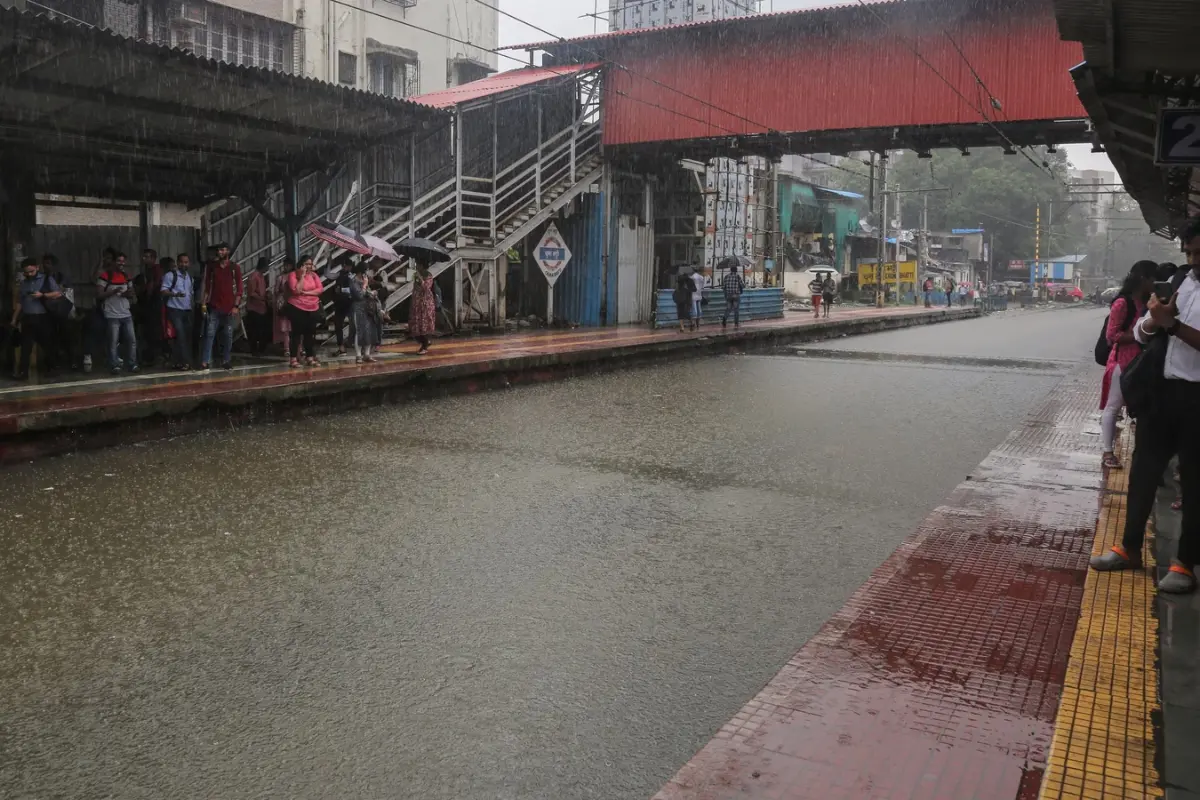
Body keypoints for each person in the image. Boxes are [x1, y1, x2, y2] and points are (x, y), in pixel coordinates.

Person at [1091, 217, 1200, 594]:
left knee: (1195, 481)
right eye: (1188, 252)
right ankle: (1130, 548)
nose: (1192, 259)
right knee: (1143, 474)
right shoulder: (1182, 283)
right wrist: (1154, 320)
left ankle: (1184, 564)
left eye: (1198, 253)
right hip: (1161, 393)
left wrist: (1170, 325)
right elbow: (1141, 332)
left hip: (1197, 398)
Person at [1099, 261, 1156, 469]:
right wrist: (1141, 335)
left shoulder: (1148, 303)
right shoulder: (1122, 303)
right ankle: (1107, 452)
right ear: (1143, 279)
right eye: (1153, 279)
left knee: (1140, 407)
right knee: (1113, 406)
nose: (1155, 284)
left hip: (1141, 362)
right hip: (1121, 362)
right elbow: (1112, 335)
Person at [11, 258, 62, 380]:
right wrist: (14, 319)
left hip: (43, 317)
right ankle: (23, 372)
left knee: (47, 345)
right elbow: (20, 302)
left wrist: (43, 295)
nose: (29, 274)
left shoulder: (46, 279)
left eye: (31, 271)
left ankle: (52, 368)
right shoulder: (24, 283)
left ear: (37, 268)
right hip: (28, 318)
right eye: (26, 272)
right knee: (25, 346)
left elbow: (58, 293)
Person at [199, 242, 243, 371]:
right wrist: (203, 303)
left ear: (228, 251)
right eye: (219, 250)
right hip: (214, 305)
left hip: (229, 307)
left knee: (228, 334)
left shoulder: (235, 267)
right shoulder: (212, 267)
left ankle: (226, 360)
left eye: (223, 250)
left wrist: (236, 305)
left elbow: (240, 288)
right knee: (209, 333)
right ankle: (205, 361)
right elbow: (207, 286)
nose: (221, 252)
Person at [97, 252, 137, 374]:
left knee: (132, 340)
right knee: (113, 341)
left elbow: (132, 294)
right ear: (113, 262)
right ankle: (114, 365)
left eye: (123, 261)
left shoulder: (126, 276)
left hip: (126, 313)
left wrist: (127, 294)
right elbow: (99, 295)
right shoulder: (104, 276)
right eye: (119, 260)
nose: (121, 263)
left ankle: (132, 364)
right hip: (111, 314)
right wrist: (113, 292)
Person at [285, 254, 323, 368]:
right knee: (296, 334)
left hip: (312, 307)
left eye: (310, 264)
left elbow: (320, 289)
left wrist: (306, 293)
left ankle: (310, 357)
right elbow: (296, 290)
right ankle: (293, 359)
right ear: (301, 265)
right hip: (297, 307)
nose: (309, 266)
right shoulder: (293, 275)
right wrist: (301, 276)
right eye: (306, 264)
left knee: (309, 334)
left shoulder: (314, 276)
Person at [160, 255, 195, 370]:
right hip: (175, 309)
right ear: (178, 263)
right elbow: (164, 291)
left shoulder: (189, 277)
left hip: (187, 310)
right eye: (181, 262)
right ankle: (185, 362)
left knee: (187, 336)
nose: (184, 265)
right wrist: (174, 294)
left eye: (186, 262)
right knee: (180, 336)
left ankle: (178, 361)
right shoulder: (170, 275)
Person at [347, 263, 378, 363]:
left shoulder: (365, 280)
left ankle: (367, 354)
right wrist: (364, 285)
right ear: (361, 271)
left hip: (367, 308)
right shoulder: (353, 281)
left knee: (369, 331)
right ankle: (358, 355)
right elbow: (359, 295)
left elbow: (366, 293)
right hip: (358, 308)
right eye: (366, 270)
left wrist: (371, 292)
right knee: (359, 331)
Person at [244, 257, 271, 357]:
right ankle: (254, 350)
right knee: (254, 331)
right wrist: (262, 298)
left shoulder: (262, 276)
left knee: (262, 330)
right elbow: (251, 293)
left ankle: (261, 350)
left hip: (262, 307)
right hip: (254, 308)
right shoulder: (253, 276)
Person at [409, 263, 437, 355]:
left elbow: (426, 288)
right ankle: (424, 343)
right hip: (417, 303)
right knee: (416, 325)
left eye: (419, 265)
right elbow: (414, 286)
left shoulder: (428, 276)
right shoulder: (416, 274)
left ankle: (425, 345)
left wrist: (420, 279)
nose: (417, 267)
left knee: (424, 324)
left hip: (425, 303)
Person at [331, 256, 355, 357]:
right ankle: (341, 347)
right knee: (338, 325)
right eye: (343, 265)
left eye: (346, 266)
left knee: (354, 324)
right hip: (340, 303)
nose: (344, 267)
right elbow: (328, 274)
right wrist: (329, 262)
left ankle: (354, 343)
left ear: (350, 266)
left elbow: (353, 290)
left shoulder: (352, 276)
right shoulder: (339, 275)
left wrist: (342, 290)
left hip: (350, 302)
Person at [273, 257, 295, 358]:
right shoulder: (280, 278)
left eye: (288, 265)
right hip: (284, 304)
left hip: (294, 303)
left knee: (294, 327)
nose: (286, 267)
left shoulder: (295, 276)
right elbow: (276, 291)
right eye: (285, 265)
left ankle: (296, 348)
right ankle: (287, 348)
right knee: (286, 328)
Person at [721, 263, 745, 329]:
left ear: (731, 270)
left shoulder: (726, 276)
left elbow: (723, 287)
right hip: (736, 295)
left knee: (728, 309)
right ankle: (736, 323)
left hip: (728, 295)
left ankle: (724, 319)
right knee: (736, 310)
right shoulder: (738, 276)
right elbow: (743, 285)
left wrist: (725, 295)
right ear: (736, 270)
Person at [690, 266, 706, 330]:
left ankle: (693, 324)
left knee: (694, 310)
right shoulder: (702, 277)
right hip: (699, 295)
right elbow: (702, 287)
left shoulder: (693, 277)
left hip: (693, 295)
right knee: (699, 310)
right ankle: (698, 325)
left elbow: (690, 285)